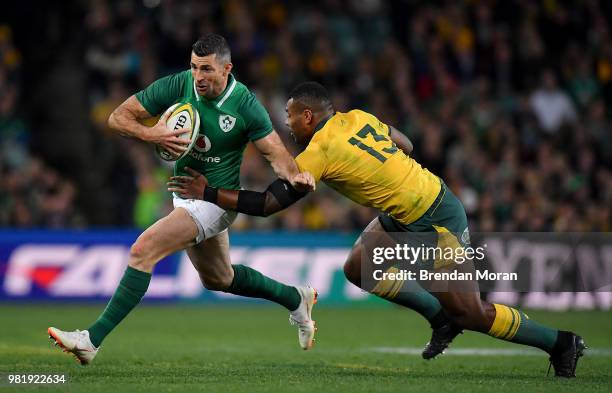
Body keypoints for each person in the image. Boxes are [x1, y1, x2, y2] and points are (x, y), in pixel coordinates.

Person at [168, 81, 586, 378]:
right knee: (359, 268)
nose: (288, 126)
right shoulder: (358, 117)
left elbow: (266, 206)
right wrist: (386, 172)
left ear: (309, 116)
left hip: (436, 216)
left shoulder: (319, 152)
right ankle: (439, 318)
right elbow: (404, 143)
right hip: (406, 206)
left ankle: (560, 342)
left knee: (472, 313)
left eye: (290, 117)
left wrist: (209, 192)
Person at [47, 35, 318, 365]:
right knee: (220, 278)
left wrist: (295, 175)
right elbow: (118, 117)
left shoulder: (244, 103)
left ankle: (91, 340)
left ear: (226, 69)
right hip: (185, 195)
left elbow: (274, 151)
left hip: (215, 202)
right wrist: (152, 133)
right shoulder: (180, 84)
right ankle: (296, 298)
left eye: (206, 69)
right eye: (194, 67)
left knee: (142, 250)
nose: (198, 76)